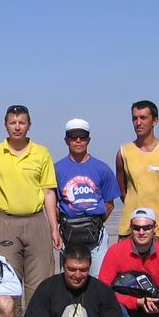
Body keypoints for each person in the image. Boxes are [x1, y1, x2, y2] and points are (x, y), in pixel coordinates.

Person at [0, 104, 61, 309]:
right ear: (5, 125)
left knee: (40, 283)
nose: (17, 127)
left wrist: (54, 228)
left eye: (21, 122)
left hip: (36, 221)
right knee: (8, 285)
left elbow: (48, 192)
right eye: (13, 123)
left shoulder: (41, 152)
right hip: (6, 222)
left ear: (29, 125)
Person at [55, 118, 119, 275]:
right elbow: (52, 204)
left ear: (88, 140)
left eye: (82, 136)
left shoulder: (102, 169)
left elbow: (109, 203)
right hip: (68, 236)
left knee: (98, 279)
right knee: (70, 278)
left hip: (96, 239)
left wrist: (94, 224)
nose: (78, 140)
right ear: (66, 140)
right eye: (73, 136)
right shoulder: (56, 169)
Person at [115, 100, 159, 245]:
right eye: (134, 118)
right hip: (130, 228)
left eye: (143, 118)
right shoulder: (124, 152)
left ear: (155, 120)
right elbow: (122, 192)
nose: (138, 123)